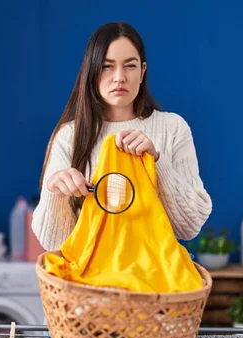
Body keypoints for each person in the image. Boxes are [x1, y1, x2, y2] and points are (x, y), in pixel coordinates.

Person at [31, 21, 212, 251]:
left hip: (155, 281)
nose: (119, 77)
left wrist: (157, 161)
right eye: (107, 66)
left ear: (142, 72)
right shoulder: (69, 136)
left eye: (130, 66)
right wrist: (55, 191)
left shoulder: (173, 128)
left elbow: (190, 226)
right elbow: (53, 244)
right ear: (92, 71)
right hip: (89, 282)